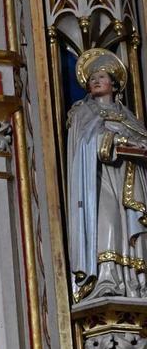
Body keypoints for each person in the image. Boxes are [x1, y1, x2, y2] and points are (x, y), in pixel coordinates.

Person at [67, 48, 147, 300]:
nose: (96, 81)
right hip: (98, 180)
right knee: (108, 223)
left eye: (101, 77)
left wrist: (135, 145)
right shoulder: (82, 112)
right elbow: (85, 143)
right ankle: (107, 278)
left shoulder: (130, 117)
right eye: (92, 78)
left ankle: (136, 281)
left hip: (130, 178)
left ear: (113, 83)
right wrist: (114, 141)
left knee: (134, 229)